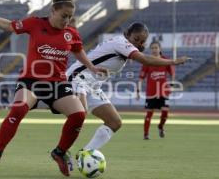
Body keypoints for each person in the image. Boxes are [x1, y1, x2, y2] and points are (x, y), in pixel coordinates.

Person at [0, 0, 107, 176]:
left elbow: (78, 50)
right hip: (31, 81)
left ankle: (59, 153)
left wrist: (92, 67)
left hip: (57, 84)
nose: (67, 21)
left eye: (70, 17)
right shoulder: (35, 23)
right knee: (19, 108)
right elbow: (9, 26)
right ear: (53, 11)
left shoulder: (71, 33)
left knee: (79, 114)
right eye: (64, 15)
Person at [58, 22, 189, 157]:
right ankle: (60, 152)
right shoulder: (121, 43)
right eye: (136, 39)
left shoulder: (124, 47)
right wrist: (173, 61)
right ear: (127, 34)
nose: (139, 43)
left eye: (142, 41)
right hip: (78, 77)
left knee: (114, 122)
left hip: (92, 86)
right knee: (80, 114)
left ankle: (85, 154)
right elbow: (145, 60)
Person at [137, 41, 175, 140]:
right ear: (150, 50)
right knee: (149, 113)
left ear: (160, 49)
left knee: (165, 113)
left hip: (163, 91)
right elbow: (141, 78)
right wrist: (138, 90)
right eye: (152, 48)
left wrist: (171, 85)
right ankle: (146, 134)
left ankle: (160, 126)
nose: (154, 50)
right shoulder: (147, 61)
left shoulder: (166, 60)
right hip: (151, 92)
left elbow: (172, 74)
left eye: (156, 48)